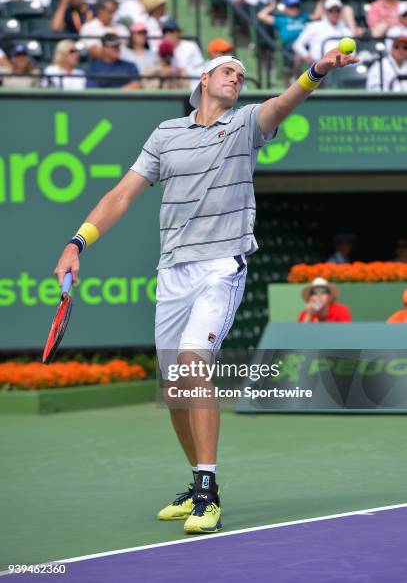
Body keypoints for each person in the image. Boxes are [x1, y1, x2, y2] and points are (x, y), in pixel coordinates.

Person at [54, 47, 356, 534]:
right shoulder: (165, 135)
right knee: (174, 388)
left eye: (241, 73)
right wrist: (77, 242)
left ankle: (208, 488)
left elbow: (281, 104)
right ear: (204, 77)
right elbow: (122, 194)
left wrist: (317, 71)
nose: (237, 77)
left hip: (221, 265)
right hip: (173, 269)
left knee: (195, 361)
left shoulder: (244, 125)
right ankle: (197, 481)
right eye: (228, 71)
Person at [258, 0, 317, 84]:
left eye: (296, 6)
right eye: (291, 6)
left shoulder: (303, 17)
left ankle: (302, 76)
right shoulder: (281, 20)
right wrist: (271, 6)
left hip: (306, 46)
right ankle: (298, 76)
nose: (295, 9)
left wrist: (321, 1)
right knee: (298, 49)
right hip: (288, 48)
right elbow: (261, 16)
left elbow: (317, 16)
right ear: (286, 8)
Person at [293, 0, 353, 68]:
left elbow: (352, 51)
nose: (335, 13)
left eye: (337, 10)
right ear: (325, 11)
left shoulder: (345, 30)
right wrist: (307, 56)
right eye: (331, 10)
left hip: (342, 65)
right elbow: (297, 44)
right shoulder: (313, 26)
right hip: (320, 66)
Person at [162, 18, 205, 90]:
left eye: (171, 31)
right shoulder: (164, 50)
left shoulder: (191, 46)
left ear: (178, 33)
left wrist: (179, 71)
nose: (168, 35)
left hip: (192, 87)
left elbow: (201, 69)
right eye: (165, 32)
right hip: (173, 87)